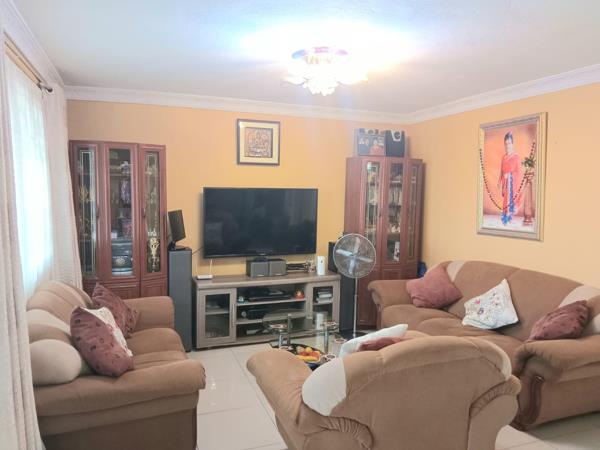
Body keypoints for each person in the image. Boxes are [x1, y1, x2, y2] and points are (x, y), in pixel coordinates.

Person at [497, 132, 521, 224]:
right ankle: (505, 217)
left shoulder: (516, 157)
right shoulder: (504, 157)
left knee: (509, 200)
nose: (507, 146)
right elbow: (501, 170)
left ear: (512, 144)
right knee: (505, 200)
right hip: (505, 183)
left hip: (512, 184)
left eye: (509, 143)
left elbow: (518, 172)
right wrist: (499, 181)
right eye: (506, 144)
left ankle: (509, 217)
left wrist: (510, 175)